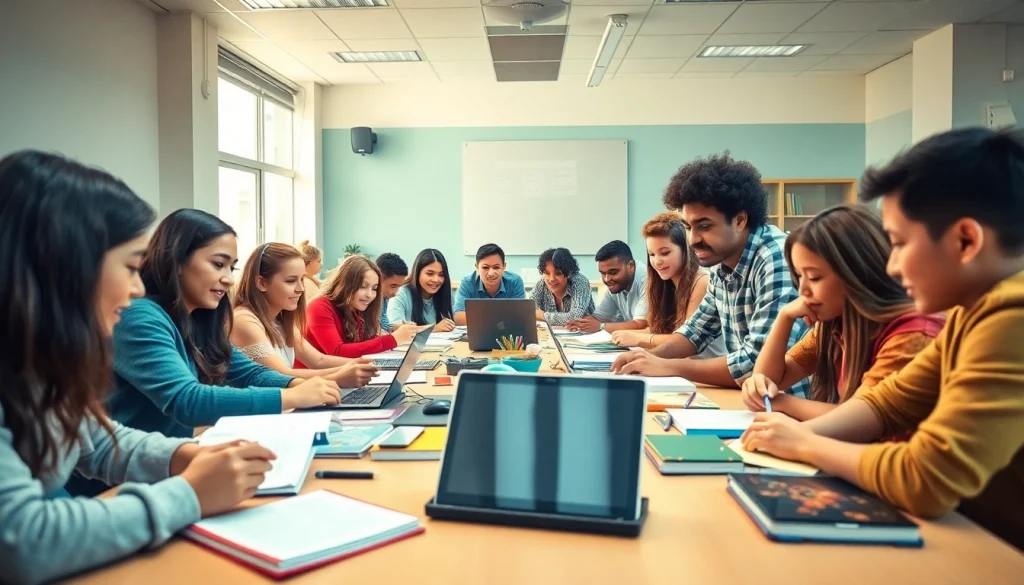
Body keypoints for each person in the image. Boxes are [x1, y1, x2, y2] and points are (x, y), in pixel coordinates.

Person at [741, 127, 1024, 551]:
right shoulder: (975, 311)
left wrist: (805, 443)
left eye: (899, 243)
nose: (891, 265)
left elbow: (926, 477)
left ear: (966, 240)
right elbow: (884, 404)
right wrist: (785, 437)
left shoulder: (1011, 315)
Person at [0, 150, 274, 584]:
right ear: (67, 267)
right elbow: (23, 542)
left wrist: (186, 457)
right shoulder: (145, 316)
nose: (135, 289)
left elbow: (99, 443)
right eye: (130, 267)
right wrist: (188, 493)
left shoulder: (36, 366)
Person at [105, 210, 342, 440]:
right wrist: (291, 396)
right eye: (218, 264)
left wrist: (295, 383)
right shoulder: (138, 316)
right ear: (176, 260)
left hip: (174, 452)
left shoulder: (198, 318)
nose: (228, 278)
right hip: (125, 474)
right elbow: (187, 400)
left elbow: (248, 372)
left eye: (231, 267)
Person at [613, 152, 808, 390]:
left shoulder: (776, 259)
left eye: (704, 226)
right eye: (688, 227)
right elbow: (695, 332)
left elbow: (756, 365)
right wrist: (649, 359)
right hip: (752, 402)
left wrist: (672, 367)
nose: (693, 240)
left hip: (791, 411)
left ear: (739, 220)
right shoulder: (721, 263)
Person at [740, 205, 945, 421]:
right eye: (799, 276)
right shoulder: (836, 326)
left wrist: (781, 402)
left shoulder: (911, 334)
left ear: (858, 272)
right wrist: (784, 317)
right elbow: (772, 381)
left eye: (815, 277)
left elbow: (860, 419)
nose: (802, 291)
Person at [231, 243, 379, 386]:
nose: (301, 289)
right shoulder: (244, 320)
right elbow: (280, 376)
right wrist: (339, 377)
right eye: (291, 281)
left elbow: (318, 360)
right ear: (262, 283)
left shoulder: (281, 320)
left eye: (302, 279)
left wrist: (366, 364)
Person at [608, 213, 724, 355]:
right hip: (676, 366)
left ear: (685, 250)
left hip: (701, 369)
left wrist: (638, 338)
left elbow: (685, 341)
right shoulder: (663, 284)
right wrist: (620, 335)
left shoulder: (702, 282)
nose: (657, 261)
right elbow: (657, 330)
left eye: (665, 253)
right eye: (652, 254)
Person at [306, 255, 419, 358]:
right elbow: (337, 352)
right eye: (363, 286)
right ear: (345, 284)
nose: (369, 295)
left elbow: (362, 345)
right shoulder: (319, 307)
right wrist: (392, 339)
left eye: (374, 288)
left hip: (343, 372)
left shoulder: (355, 308)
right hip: (315, 377)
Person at [566, 240, 647, 334]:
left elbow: (641, 325)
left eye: (613, 272)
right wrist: (580, 323)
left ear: (631, 266)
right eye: (603, 273)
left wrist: (601, 326)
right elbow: (599, 317)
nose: (607, 279)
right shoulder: (616, 285)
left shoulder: (647, 280)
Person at [453, 243, 526, 325]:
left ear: (504, 266)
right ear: (477, 267)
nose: (491, 273)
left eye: (496, 267)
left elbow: (519, 316)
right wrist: (500, 316)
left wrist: (479, 317)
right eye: (485, 267)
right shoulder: (468, 282)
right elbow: (458, 318)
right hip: (479, 332)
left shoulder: (515, 282)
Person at [387, 248, 456, 332]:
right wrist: (434, 328)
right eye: (430, 274)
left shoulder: (446, 294)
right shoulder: (400, 294)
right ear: (417, 272)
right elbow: (395, 328)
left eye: (441, 275)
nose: (436, 279)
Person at [531, 247, 595, 326]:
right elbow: (529, 311)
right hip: (552, 334)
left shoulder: (580, 282)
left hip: (584, 334)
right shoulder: (541, 284)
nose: (551, 279)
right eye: (547, 273)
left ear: (569, 273)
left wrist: (543, 315)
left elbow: (575, 317)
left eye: (558, 273)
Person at [375, 252, 409, 333]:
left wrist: (402, 327)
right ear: (379, 278)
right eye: (393, 286)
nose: (395, 293)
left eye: (399, 287)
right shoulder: (367, 300)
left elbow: (384, 325)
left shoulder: (384, 298)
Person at [298, 240, 323, 306]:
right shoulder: (306, 283)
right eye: (319, 261)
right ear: (310, 263)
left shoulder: (311, 279)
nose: (321, 264)